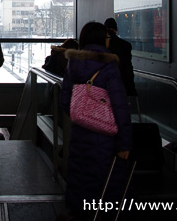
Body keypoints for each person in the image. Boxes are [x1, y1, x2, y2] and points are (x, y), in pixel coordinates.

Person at [59, 21, 133, 219]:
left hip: (79, 136)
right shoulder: (109, 65)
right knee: (105, 183)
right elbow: (120, 105)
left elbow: (65, 100)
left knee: (80, 178)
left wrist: (83, 116)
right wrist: (125, 142)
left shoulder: (73, 63)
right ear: (102, 40)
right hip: (105, 139)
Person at [104, 18, 136, 97]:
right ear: (116, 30)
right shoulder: (125, 45)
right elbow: (128, 69)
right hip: (120, 87)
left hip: (103, 89)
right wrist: (131, 90)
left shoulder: (99, 45)